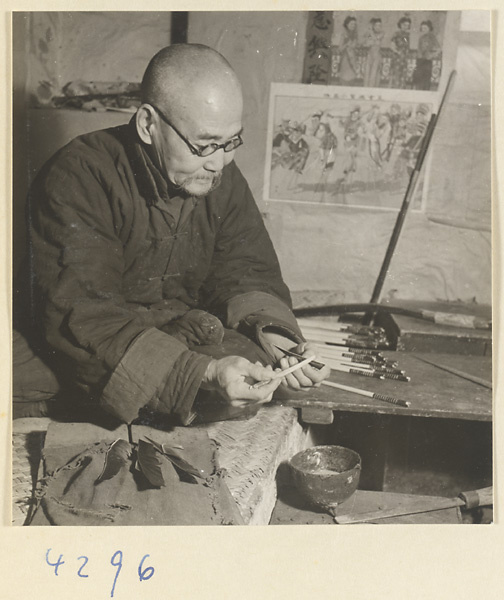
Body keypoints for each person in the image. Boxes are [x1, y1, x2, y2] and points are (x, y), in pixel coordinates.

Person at [14, 43, 330, 424]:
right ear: (149, 124)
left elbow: (245, 271)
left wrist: (277, 341)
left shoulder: (220, 177)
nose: (218, 163)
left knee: (257, 366)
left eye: (231, 142)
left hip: (174, 334)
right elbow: (83, 316)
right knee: (31, 372)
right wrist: (201, 375)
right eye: (204, 144)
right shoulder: (79, 176)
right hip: (96, 339)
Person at [412, 20, 441, 90]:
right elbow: (419, 49)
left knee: (426, 79)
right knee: (418, 79)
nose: (423, 30)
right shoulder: (421, 38)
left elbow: (439, 49)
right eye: (422, 28)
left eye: (425, 28)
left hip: (427, 61)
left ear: (429, 28)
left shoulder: (432, 37)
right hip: (420, 61)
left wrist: (432, 55)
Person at [389, 16, 412, 89]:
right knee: (396, 75)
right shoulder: (396, 34)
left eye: (407, 25)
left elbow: (407, 46)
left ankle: (401, 92)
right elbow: (392, 46)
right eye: (404, 25)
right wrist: (398, 52)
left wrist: (406, 54)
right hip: (397, 58)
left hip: (404, 59)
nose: (406, 27)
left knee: (403, 76)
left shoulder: (407, 35)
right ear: (400, 24)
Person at [362, 17, 384, 88]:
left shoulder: (382, 34)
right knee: (367, 73)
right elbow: (366, 43)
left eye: (379, 25)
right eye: (376, 25)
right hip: (369, 55)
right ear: (373, 26)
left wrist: (370, 33)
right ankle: (366, 91)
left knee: (374, 75)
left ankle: (373, 92)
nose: (378, 27)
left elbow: (376, 40)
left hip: (377, 56)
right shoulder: (369, 34)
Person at [338, 16, 359, 86]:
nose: (353, 26)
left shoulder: (355, 35)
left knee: (352, 79)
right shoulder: (343, 35)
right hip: (345, 59)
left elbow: (356, 46)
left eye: (354, 24)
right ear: (347, 25)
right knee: (345, 79)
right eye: (351, 24)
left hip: (353, 59)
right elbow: (340, 48)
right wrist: (346, 44)